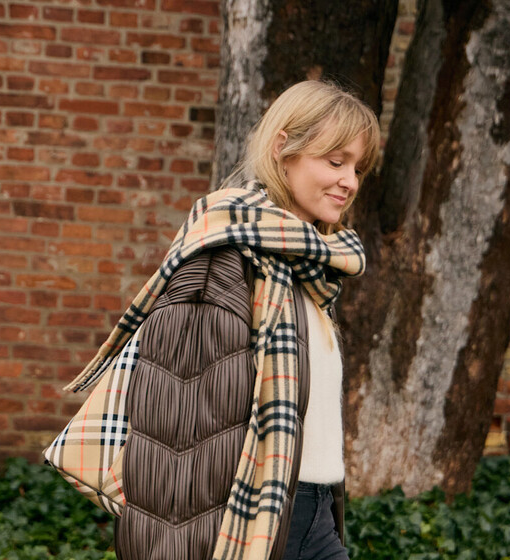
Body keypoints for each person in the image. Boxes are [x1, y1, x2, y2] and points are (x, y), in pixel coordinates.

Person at [88, 80, 379, 560]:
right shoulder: (224, 260)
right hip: (250, 523)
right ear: (283, 149)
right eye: (335, 161)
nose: (349, 181)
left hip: (315, 514)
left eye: (358, 168)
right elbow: (177, 425)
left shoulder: (309, 270)